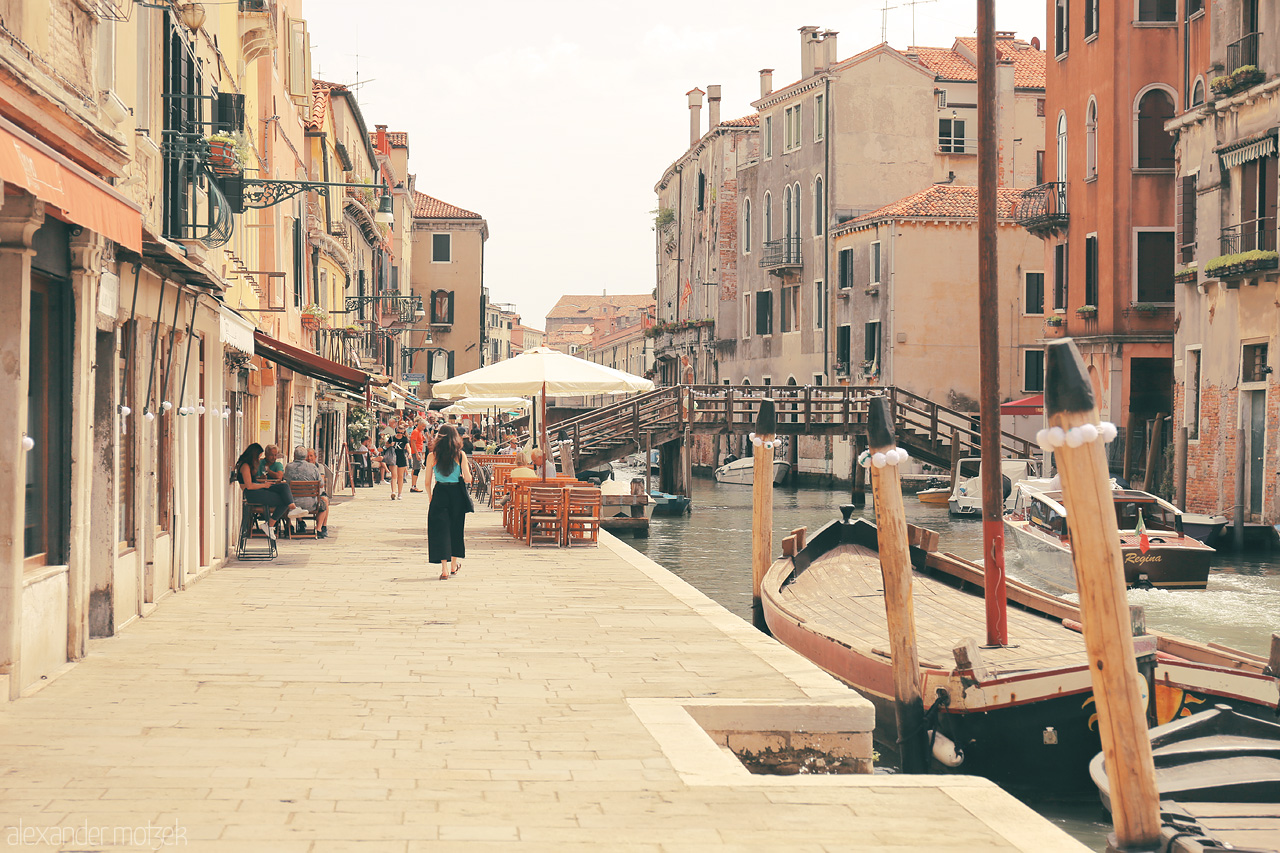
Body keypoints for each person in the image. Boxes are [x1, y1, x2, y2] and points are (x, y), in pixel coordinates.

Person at [426, 424, 473, 580]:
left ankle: (444, 569)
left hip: (439, 493)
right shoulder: (460, 455)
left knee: (440, 531)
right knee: (456, 529)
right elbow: (467, 478)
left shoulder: (432, 456)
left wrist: (431, 498)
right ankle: (454, 565)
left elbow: (427, 482)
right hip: (456, 495)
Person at [231, 443, 305, 540]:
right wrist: (264, 485)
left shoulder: (249, 465)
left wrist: (263, 483)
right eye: (258, 457)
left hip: (258, 488)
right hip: (252, 494)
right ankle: (270, 524)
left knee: (284, 486)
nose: (258, 459)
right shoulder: (245, 466)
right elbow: (249, 486)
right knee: (284, 500)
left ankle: (292, 507)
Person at [285, 446, 330, 538]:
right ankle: (318, 529)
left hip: (293, 504)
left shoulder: (288, 467)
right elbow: (321, 483)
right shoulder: (313, 467)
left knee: (283, 502)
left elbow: (286, 481)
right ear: (305, 456)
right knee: (323, 505)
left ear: (294, 455)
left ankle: (289, 527)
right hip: (311, 504)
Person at [387, 424, 411, 500]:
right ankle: (393, 492)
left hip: (401, 457)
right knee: (394, 476)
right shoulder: (392, 438)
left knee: (400, 476)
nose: (399, 434)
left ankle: (400, 493)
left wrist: (409, 453)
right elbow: (386, 445)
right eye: (398, 432)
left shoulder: (405, 439)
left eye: (401, 433)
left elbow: (408, 446)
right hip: (393, 457)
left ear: (404, 433)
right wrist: (391, 444)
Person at [408, 419, 427, 493]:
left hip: (419, 450)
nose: (424, 428)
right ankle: (414, 486)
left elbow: (420, 440)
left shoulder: (419, 432)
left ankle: (413, 485)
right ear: (418, 425)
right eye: (422, 426)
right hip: (417, 451)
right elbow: (413, 443)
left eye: (424, 426)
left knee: (415, 468)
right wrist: (416, 453)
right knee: (417, 468)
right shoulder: (415, 431)